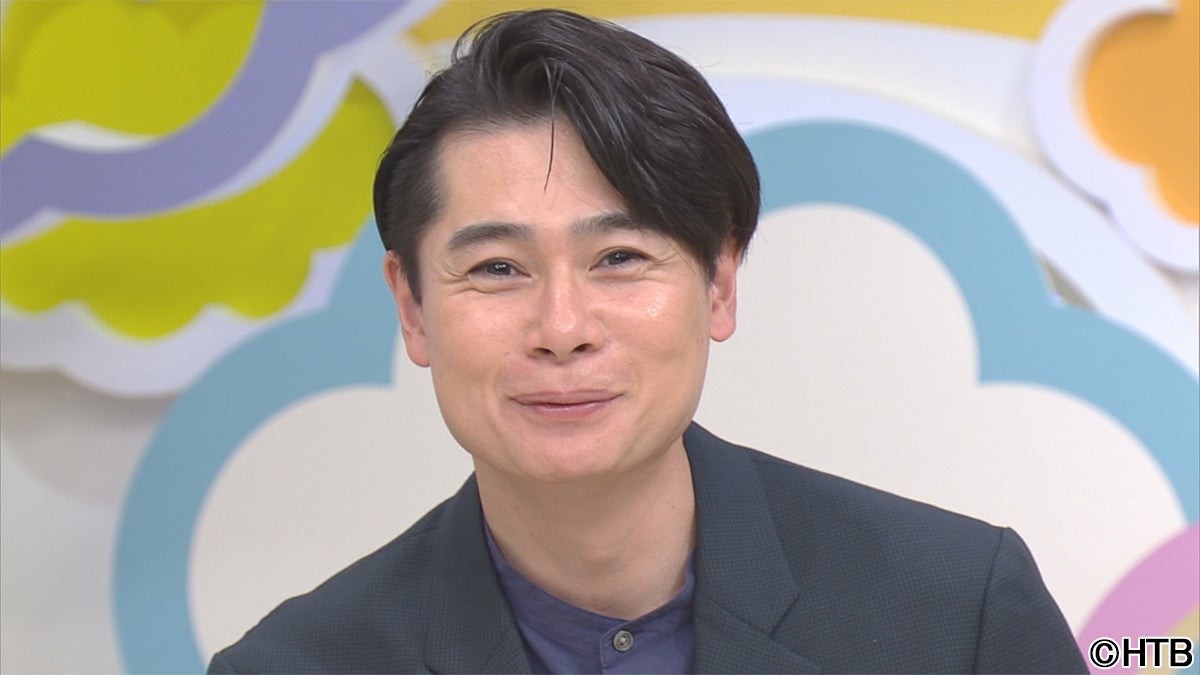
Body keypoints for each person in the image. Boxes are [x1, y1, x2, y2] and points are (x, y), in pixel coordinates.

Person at [208, 9, 1087, 674]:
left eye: (620, 258)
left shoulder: (955, 613)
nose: (562, 329)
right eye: (498, 268)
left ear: (720, 283)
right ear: (411, 306)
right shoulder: (293, 665)